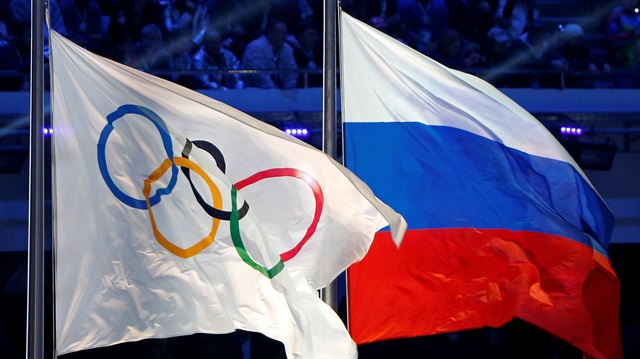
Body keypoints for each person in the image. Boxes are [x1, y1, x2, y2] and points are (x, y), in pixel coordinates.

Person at [241, 18, 297, 89]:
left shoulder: (288, 49)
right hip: (255, 90)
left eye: (285, 33)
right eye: (280, 32)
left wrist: (289, 89)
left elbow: (291, 72)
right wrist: (275, 92)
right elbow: (259, 75)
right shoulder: (255, 47)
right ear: (269, 33)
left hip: (281, 92)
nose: (283, 36)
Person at [287, 18, 322, 88]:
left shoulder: (318, 49)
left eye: (315, 34)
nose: (314, 38)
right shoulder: (290, 50)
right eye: (310, 35)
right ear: (300, 36)